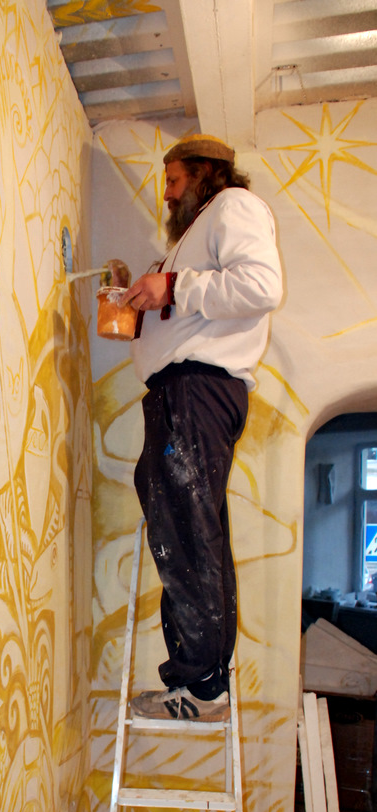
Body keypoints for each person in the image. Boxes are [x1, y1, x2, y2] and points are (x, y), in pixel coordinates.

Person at [120, 133, 283, 721]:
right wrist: (145, 295)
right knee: (190, 530)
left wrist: (172, 286)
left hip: (196, 389)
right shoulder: (192, 240)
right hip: (183, 393)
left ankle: (201, 686)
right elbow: (193, 303)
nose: (166, 195)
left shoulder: (232, 207)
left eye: (173, 180)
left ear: (205, 174)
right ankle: (201, 680)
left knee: (185, 533)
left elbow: (261, 287)